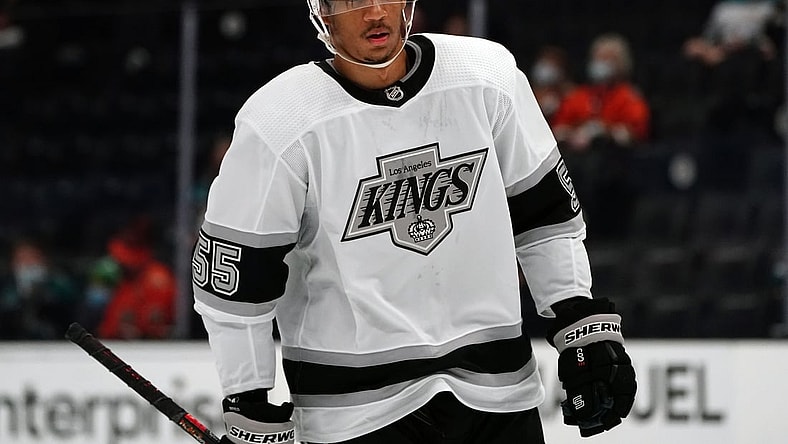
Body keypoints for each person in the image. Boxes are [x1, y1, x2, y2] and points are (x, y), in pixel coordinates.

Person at [193, 1, 636, 443]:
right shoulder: (280, 121)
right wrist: (247, 396)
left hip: (498, 398)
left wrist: (578, 318)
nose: (373, 14)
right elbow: (235, 279)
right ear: (321, 12)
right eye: (351, 1)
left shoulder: (486, 77)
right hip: (357, 416)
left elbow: (546, 214)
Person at [551, 33, 650, 151]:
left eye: (606, 59)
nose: (599, 63)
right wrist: (572, 134)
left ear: (620, 63)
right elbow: (559, 127)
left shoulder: (629, 97)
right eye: (597, 58)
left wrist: (605, 131)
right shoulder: (578, 95)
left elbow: (636, 132)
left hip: (616, 158)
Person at [97, 216, 176, 340]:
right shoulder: (123, 283)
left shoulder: (158, 279)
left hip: (148, 347)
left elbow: (158, 324)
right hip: (113, 343)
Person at [0, 239, 79, 339]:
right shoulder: (6, 284)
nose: (28, 264)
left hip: (54, 338)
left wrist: (45, 294)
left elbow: (69, 307)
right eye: (22, 259)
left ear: (43, 260)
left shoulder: (59, 281)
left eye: (32, 258)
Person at [529, 45, 575, 123]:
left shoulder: (571, 94)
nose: (547, 67)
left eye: (551, 62)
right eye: (544, 61)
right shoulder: (527, 92)